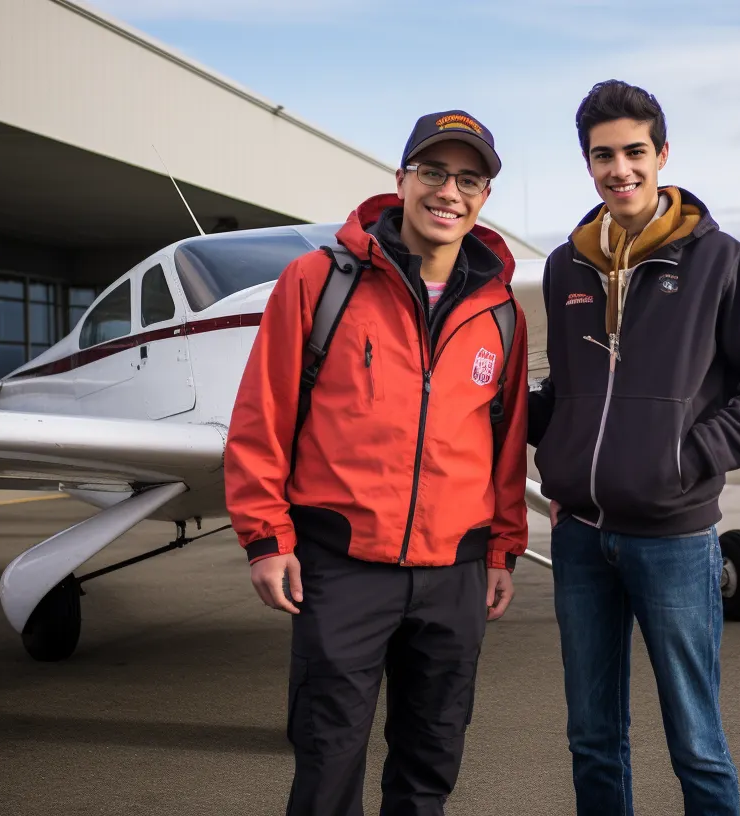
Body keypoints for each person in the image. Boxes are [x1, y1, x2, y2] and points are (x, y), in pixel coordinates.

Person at [224, 109, 529, 816]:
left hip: (454, 571)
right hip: (342, 566)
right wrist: (266, 540)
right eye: (433, 172)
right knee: (328, 761)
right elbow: (260, 417)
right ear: (401, 180)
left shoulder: (501, 313)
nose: (448, 191)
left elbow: (503, 448)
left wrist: (503, 550)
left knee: (431, 763)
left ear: (483, 198)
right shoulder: (317, 281)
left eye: (468, 179)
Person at [527, 80, 740, 815]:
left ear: (662, 155)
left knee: (696, 742)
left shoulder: (721, 260)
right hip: (581, 536)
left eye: (633, 152)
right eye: (602, 156)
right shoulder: (566, 267)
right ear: (587, 163)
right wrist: (518, 424)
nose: (619, 169)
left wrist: (687, 458)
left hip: (675, 538)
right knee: (592, 737)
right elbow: (570, 391)